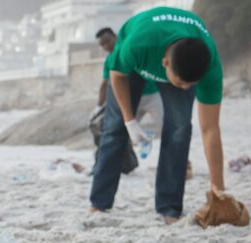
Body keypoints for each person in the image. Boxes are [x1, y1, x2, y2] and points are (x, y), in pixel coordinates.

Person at [90, 7, 225, 224]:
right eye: (182, 83)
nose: (185, 89)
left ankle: (169, 209)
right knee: (114, 130)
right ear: (165, 64)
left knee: (179, 130)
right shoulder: (137, 45)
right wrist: (129, 121)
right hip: (135, 64)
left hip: (179, 61)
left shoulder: (209, 68)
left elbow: (210, 129)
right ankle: (98, 203)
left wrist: (219, 191)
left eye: (191, 85)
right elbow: (117, 76)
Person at [90, 27, 163, 176]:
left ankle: (180, 161)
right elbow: (105, 84)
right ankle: (125, 161)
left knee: (167, 124)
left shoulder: (129, 47)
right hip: (130, 99)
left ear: (115, 36)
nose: (106, 46)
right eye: (102, 45)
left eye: (107, 41)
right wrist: (99, 106)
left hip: (152, 93)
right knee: (127, 131)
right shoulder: (110, 60)